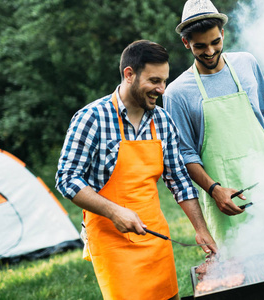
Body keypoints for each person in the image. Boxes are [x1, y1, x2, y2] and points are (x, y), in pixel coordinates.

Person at [56, 40, 217, 300]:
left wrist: (200, 228)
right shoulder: (91, 118)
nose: (161, 89)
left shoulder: (162, 120)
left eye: (164, 81)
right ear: (129, 74)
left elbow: (178, 180)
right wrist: (114, 211)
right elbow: (66, 178)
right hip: (111, 241)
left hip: (155, 237)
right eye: (154, 81)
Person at [163, 0, 264, 243]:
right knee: (240, 265)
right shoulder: (176, 93)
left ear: (223, 34)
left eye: (215, 42)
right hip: (224, 196)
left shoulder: (246, 63)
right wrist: (215, 191)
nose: (209, 52)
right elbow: (186, 154)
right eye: (200, 46)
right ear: (186, 43)